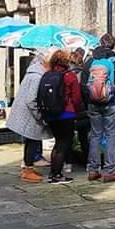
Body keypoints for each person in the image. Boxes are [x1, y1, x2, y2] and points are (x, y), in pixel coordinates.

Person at [80, 33, 115, 182]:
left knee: (95, 135)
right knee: (110, 136)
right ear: (113, 45)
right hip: (110, 103)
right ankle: (110, 171)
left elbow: (82, 84)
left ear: (100, 43)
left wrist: (87, 100)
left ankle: (93, 170)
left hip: (93, 104)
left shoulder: (90, 61)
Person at [7, 49, 53, 183]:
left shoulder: (34, 73)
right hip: (29, 115)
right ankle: (27, 170)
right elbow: (31, 99)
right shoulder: (37, 76)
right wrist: (40, 115)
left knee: (31, 141)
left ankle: (29, 168)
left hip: (27, 113)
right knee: (32, 141)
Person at [41, 50, 81, 184]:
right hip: (66, 114)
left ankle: (53, 173)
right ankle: (57, 174)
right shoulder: (70, 76)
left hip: (51, 114)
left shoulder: (47, 75)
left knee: (57, 144)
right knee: (63, 144)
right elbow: (76, 98)